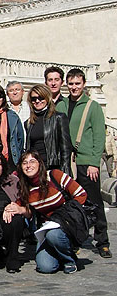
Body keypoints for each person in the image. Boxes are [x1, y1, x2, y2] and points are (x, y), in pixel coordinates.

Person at [56, 68, 111, 258]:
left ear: (84, 84)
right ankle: (75, 238)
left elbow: (98, 136)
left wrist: (95, 162)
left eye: (77, 84)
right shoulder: (61, 105)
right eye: (70, 84)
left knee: (94, 202)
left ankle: (102, 240)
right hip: (67, 161)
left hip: (86, 161)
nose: (74, 87)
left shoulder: (92, 107)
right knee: (71, 203)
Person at [9, 151, 86, 274]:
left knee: (53, 235)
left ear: (40, 163)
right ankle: (59, 252)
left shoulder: (55, 176)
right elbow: (24, 209)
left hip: (66, 224)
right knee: (45, 267)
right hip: (45, 229)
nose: (28, 166)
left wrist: (67, 214)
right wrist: (11, 209)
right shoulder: (24, 187)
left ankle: (69, 259)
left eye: (32, 161)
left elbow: (81, 194)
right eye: (25, 163)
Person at [24, 84, 71, 174]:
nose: (37, 101)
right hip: (35, 169)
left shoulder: (58, 118)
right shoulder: (29, 123)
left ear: (47, 98)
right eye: (34, 99)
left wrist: (65, 171)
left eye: (41, 98)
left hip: (53, 167)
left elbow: (65, 148)